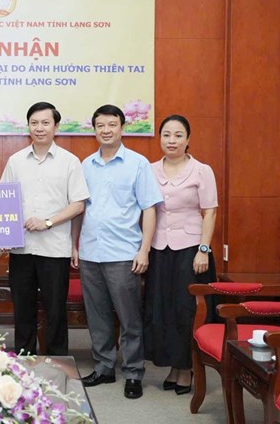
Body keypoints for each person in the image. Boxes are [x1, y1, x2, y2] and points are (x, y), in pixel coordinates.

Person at [71, 104, 163, 400]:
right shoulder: (85, 165)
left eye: (112, 125)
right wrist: (75, 245)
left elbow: (149, 208)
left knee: (129, 318)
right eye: (100, 125)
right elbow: (79, 209)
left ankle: (134, 372)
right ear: (94, 129)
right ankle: (105, 367)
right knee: (97, 316)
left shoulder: (138, 164)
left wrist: (144, 249)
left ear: (122, 127)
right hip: (90, 252)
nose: (106, 130)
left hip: (124, 253)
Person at [0, 101, 89, 356]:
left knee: (55, 312)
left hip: (54, 249)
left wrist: (47, 222)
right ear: (28, 126)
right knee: (23, 311)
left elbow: (78, 204)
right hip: (22, 249)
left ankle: (59, 363)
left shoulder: (70, 162)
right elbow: (3, 200)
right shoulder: (15, 161)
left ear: (56, 126)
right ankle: (25, 361)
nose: (40, 128)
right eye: (34, 123)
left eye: (45, 123)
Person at [143, 114, 218, 395]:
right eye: (166, 135)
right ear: (159, 138)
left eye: (177, 135)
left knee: (186, 310)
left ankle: (187, 369)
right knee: (161, 308)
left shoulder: (202, 170)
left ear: (188, 139)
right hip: (159, 248)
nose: (171, 140)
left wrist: (203, 250)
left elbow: (209, 211)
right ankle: (174, 366)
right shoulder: (149, 170)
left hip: (191, 249)